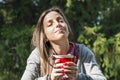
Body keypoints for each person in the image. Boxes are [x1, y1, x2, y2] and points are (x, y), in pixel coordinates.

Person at [21, 6, 106, 80]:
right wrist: (50, 78)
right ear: (45, 37)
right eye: (50, 24)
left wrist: (78, 77)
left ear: (67, 28)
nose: (58, 24)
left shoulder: (83, 52)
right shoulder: (38, 54)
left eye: (60, 21)